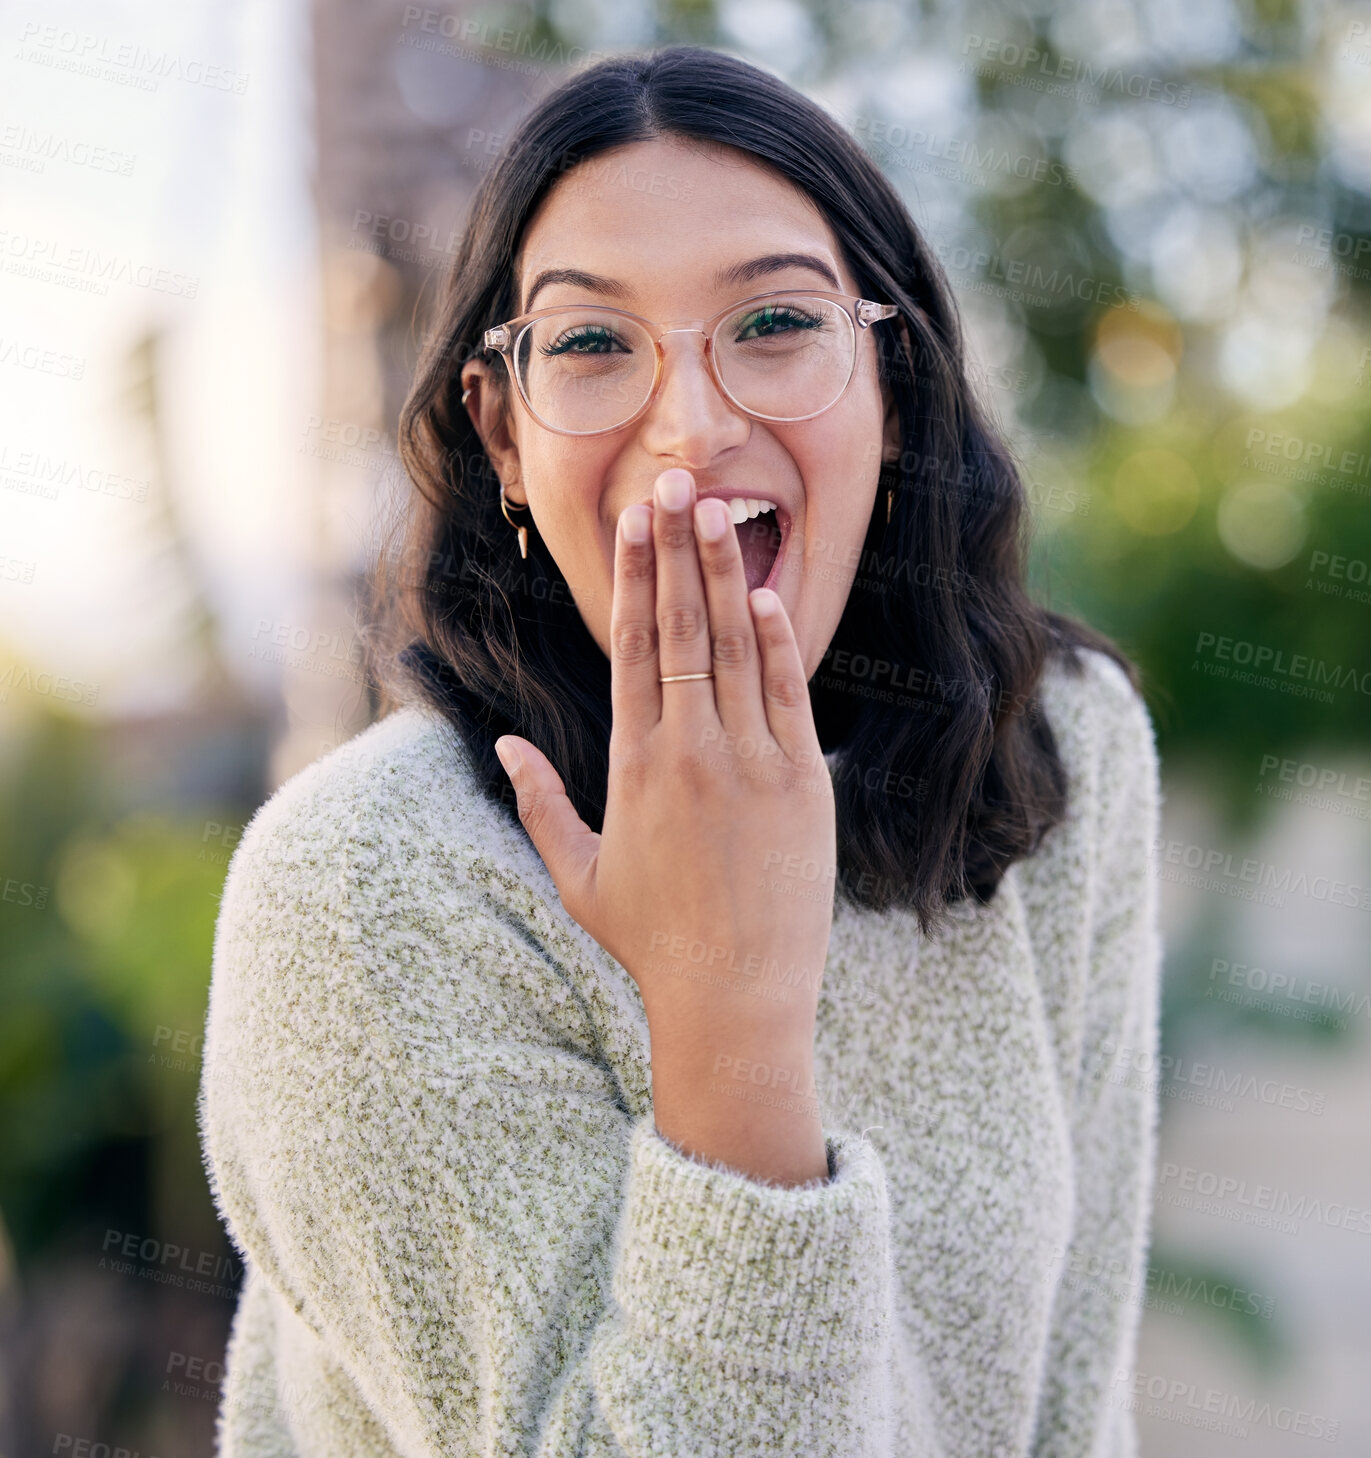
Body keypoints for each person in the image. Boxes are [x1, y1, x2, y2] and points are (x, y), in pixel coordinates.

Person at [198, 43, 1162, 1458]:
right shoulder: (364, 884)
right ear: (501, 434)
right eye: (591, 342)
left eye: (773, 319)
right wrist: (732, 1025)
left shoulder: (1060, 751)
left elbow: (1076, 1407)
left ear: (890, 380)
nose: (696, 425)